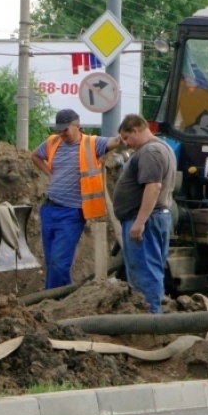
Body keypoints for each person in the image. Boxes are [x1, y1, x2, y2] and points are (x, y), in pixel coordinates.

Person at [31, 108, 121, 290]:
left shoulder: (92, 144)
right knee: (52, 263)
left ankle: (51, 299)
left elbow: (115, 141)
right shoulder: (53, 142)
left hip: (72, 212)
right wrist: (49, 172)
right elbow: (35, 155)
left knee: (58, 262)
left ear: (77, 126)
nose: (61, 133)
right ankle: (65, 298)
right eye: (59, 129)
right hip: (49, 209)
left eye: (65, 129)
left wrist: (128, 130)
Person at [112, 114, 176, 314]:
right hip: (153, 218)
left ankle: (149, 322)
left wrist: (139, 222)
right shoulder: (161, 148)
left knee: (145, 274)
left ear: (136, 130)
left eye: (126, 138)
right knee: (147, 271)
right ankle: (149, 320)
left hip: (146, 222)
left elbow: (153, 187)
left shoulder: (151, 151)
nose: (126, 144)